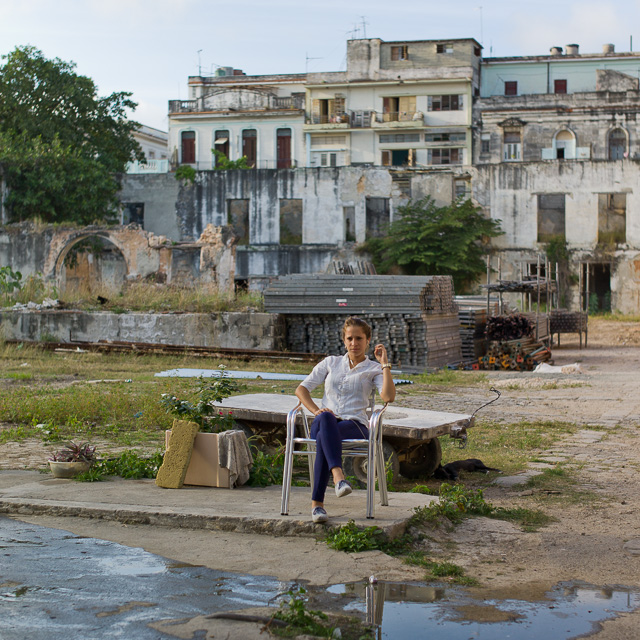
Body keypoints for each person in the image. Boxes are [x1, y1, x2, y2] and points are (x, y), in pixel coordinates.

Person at [295, 317, 396, 523]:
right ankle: (339, 476)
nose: (354, 343)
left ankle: (317, 506)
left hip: (354, 426)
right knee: (325, 419)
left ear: (368, 340)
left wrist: (385, 365)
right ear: (344, 340)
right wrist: (316, 410)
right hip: (324, 421)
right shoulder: (331, 362)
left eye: (359, 338)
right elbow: (301, 389)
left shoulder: (373, 369)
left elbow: (388, 397)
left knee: (325, 437)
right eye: (349, 338)